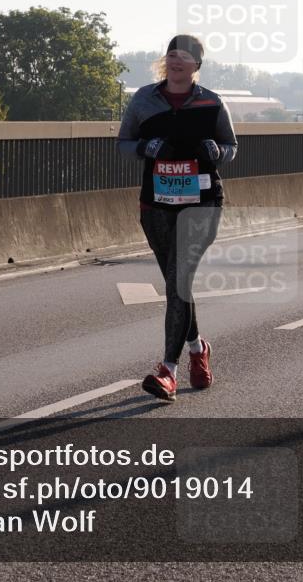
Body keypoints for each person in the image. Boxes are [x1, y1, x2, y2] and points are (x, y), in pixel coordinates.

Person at [117, 35, 237, 402]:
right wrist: (146, 147)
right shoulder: (144, 99)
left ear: (197, 65)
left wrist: (217, 151)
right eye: (172, 54)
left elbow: (231, 146)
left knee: (178, 280)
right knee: (176, 285)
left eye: (185, 55)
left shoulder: (212, 102)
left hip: (201, 204)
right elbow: (123, 143)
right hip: (156, 205)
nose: (177, 60)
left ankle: (167, 371)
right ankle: (198, 349)